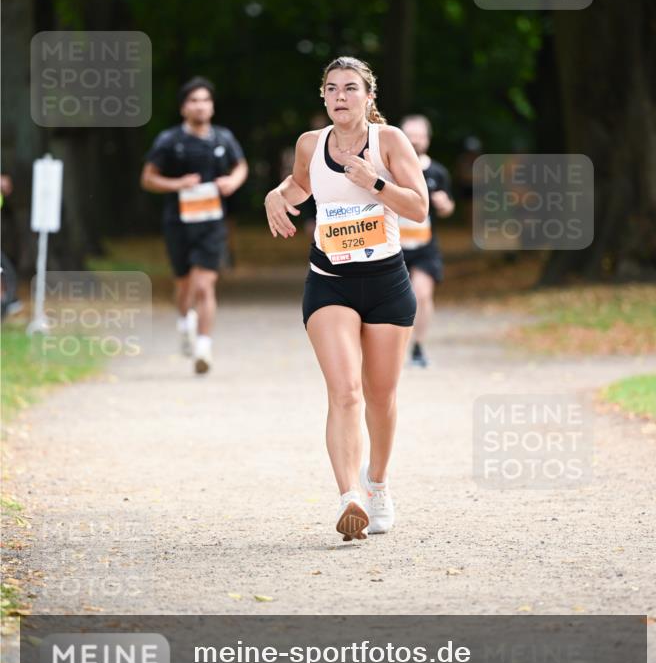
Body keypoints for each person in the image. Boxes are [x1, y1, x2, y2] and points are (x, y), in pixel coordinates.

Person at [264, 56, 428, 541]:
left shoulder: (390, 141)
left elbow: (418, 208)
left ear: (368, 96)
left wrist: (374, 183)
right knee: (345, 392)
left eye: (350, 88)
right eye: (332, 88)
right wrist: (277, 193)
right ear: (322, 96)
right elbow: (301, 184)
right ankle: (348, 497)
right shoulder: (310, 144)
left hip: (386, 285)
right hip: (329, 282)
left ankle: (376, 483)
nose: (340, 95)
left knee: (380, 396)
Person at [141, 77, 248, 374]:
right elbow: (148, 178)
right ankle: (184, 321)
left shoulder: (223, 138)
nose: (200, 105)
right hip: (178, 222)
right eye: (194, 101)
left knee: (204, 285)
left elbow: (241, 166)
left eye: (205, 100)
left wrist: (232, 181)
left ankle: (203, 348)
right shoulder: (169, 140)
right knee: (184, 284)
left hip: (212, 222)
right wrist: (178, 184)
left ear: (212, 106)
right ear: (183, 108)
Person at [399, 115, 455, 367]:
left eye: (419, 135)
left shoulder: (437, 172)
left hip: (424, 246)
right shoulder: (391, 169)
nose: (414, 140)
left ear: (428, 139)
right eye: (409, 135)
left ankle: (418, 347)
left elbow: (448, 207)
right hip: (391, 246)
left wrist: (445, 205)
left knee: (422, 295)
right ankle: (390, 350)